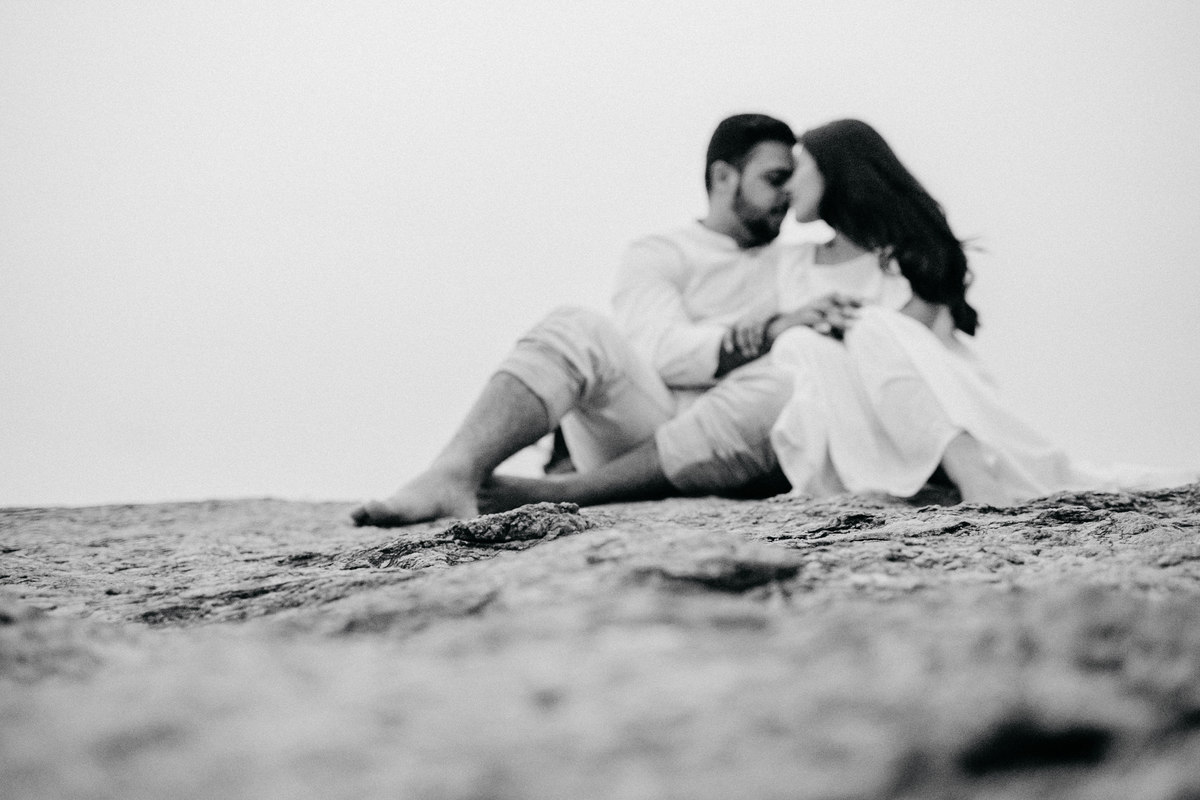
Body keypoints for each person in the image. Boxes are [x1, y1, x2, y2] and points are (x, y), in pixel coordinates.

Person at [479, 118, 1197, 510]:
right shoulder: (788, 265)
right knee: (802, 352)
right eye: (778, 175)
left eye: (800, 172)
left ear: (835, 174)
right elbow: (724, 341)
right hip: (825, 417)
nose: (790, 190)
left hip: (916, 400)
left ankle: (966, 463)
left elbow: (927, 349)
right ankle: (574, 477)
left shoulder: (903, 261)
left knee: (867, 332)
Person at [351, 114, 854, 527]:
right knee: (575, 323)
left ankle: (564, 490)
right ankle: (452, 473)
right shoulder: (660, 252)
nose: (787, 194)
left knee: (787, 382)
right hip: (643, 422)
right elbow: (659, 351)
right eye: (773, 179)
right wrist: (763, 332)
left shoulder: (796, 261)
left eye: (791, 180)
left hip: (746, 438)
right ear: (724, 177)